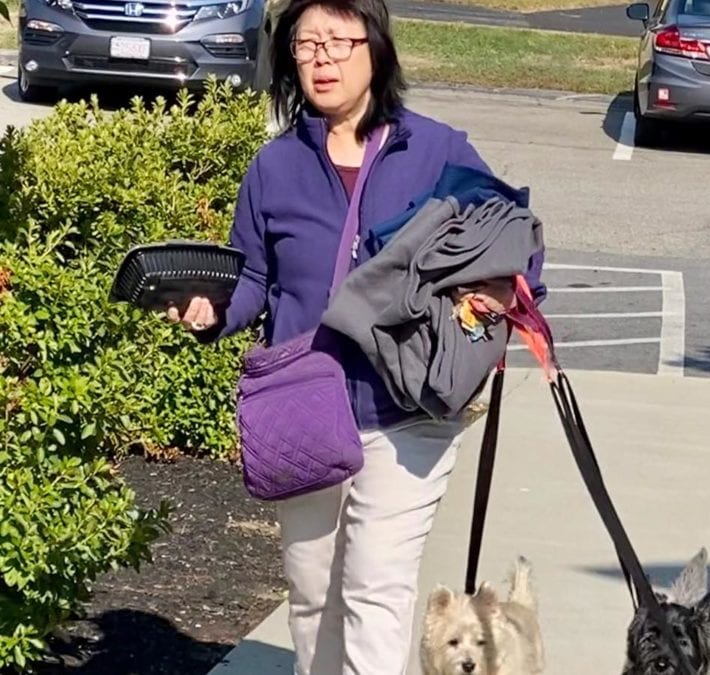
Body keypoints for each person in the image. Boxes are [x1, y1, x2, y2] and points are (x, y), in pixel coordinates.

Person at [166, 0, 544, 672]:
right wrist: (213, 311)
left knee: (376, 589)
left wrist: (493, 294)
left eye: (340, 41)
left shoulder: (435, 151)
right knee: (312, 594)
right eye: (308, 42)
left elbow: (512, 237)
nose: (323, 58)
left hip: (407, 411)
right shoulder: (274, 167)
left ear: (376, 50)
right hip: (304, 411)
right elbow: (254, 273)